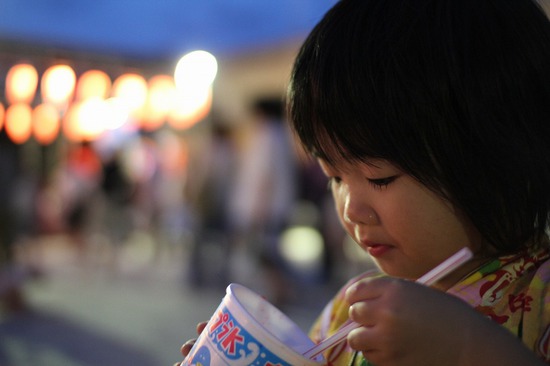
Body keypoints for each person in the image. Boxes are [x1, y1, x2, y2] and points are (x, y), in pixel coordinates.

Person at [178, 0, 550, 365]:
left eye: (380, 177)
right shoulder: (350, 309)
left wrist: (467, 348)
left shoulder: (541, 297)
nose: (351, 210)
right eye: (335, 177)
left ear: (498, 152)